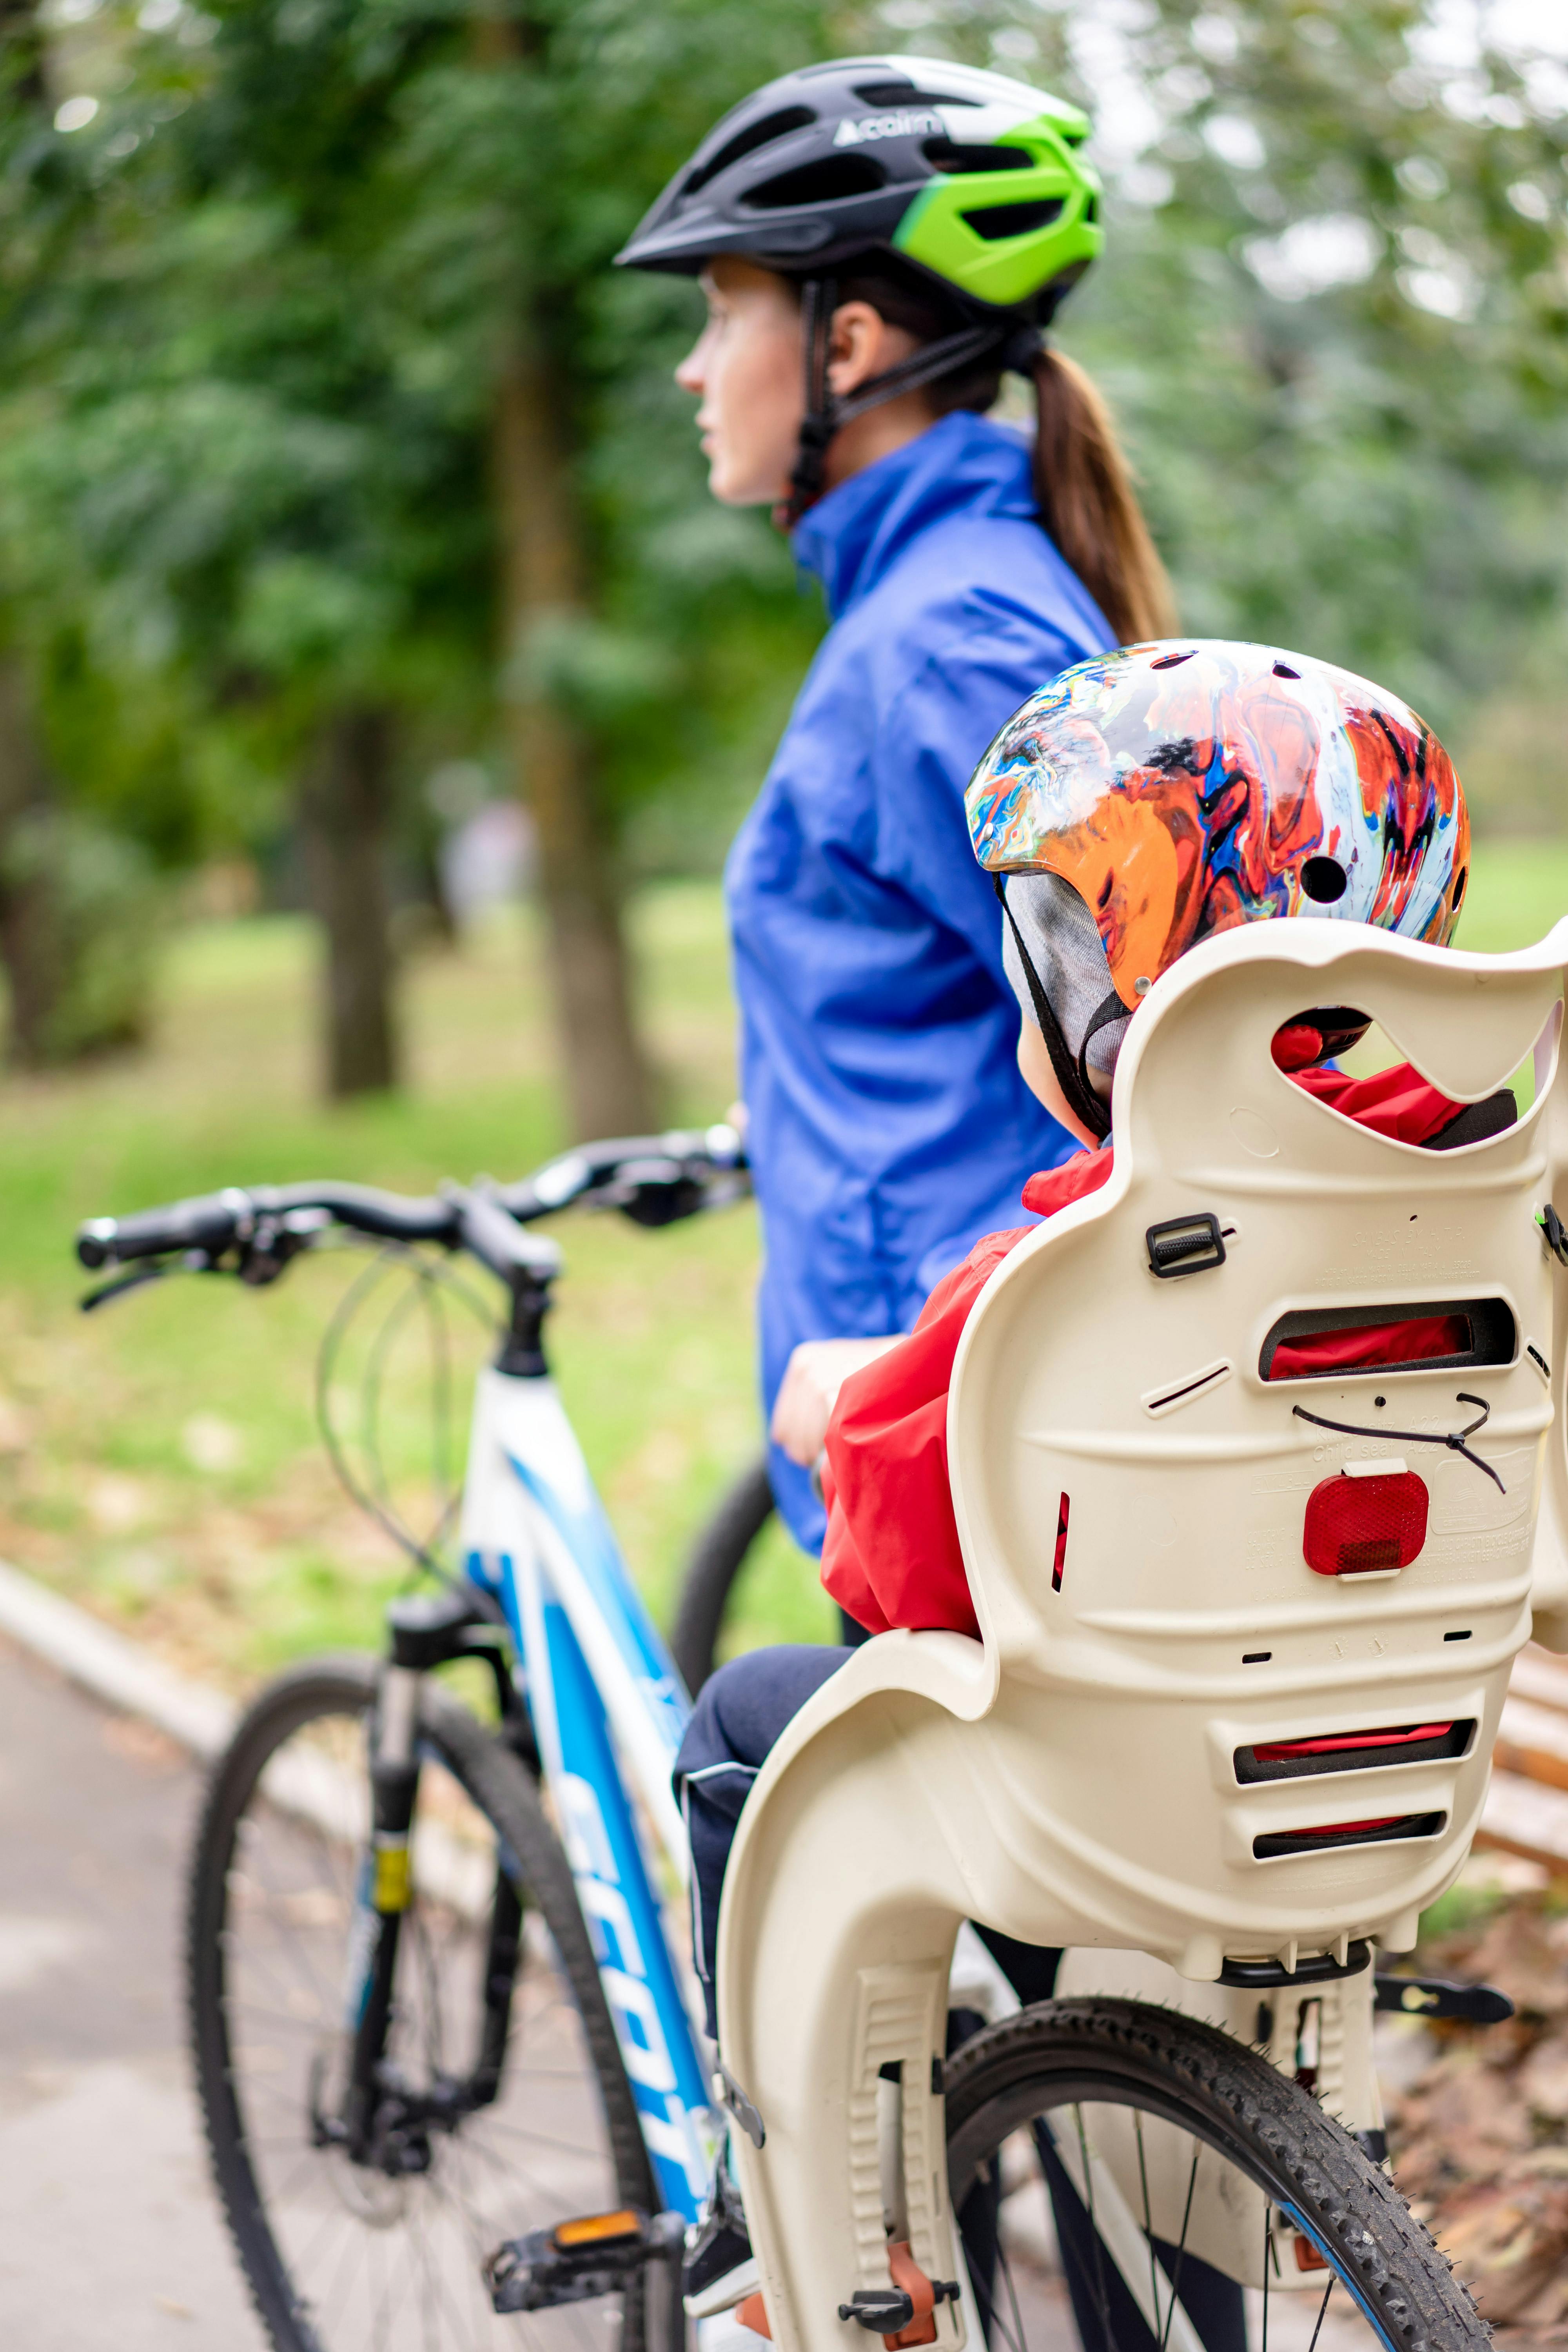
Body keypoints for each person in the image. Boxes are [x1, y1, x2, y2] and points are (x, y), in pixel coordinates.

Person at [673, 637, 1479, 2327]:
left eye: (1049, 928)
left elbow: (896, 1577)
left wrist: (837, 1406)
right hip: (1385, 1774)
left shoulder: (1093, 1270)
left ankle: (811, 2232)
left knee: (753, 1713)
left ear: (1124, 969)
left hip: (1127, 1791)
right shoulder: (1468, 1201)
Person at [616, 54, 1176, 1567]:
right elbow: (959, 982)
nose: (694, 366)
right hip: (931, 1446)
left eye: (721, 311)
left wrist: (914, 1379)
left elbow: (1161, 1066)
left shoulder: (948, 645)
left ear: (845, 341)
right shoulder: (930, 615)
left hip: (963, 1466)